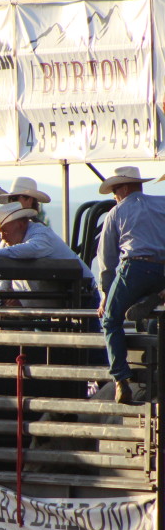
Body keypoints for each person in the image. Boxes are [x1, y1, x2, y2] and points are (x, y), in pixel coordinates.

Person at [95, 166, 165, 404]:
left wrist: (106, 295)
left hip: (134, 267)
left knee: (110, 320)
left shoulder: (116, 212)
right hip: (162, 268)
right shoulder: (162, 203)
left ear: (123, 189)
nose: (115, 196)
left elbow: (107, 260)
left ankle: (121, 379)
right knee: (154, 316)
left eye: (115, 190)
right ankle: (158, 295)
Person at [0, 201, 96, 307]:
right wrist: (3, 295)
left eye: (5, 230)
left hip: (82, 293)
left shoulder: (40, 234)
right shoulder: (7, 244)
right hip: (54, 301)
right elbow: (5, 271)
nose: (2, 236)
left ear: (21, 224)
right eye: (0, 232)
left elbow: (31, 248)